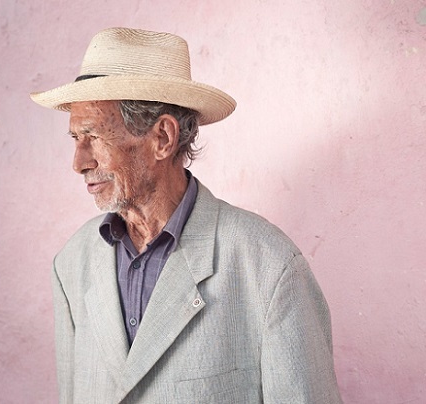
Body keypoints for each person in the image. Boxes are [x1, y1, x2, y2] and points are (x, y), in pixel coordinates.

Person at [31, 27, 342, 404]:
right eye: (75, 139)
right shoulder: (71, 263)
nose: (79, 162)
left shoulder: (269, 266)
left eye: (93, 137)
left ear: (163, 137)